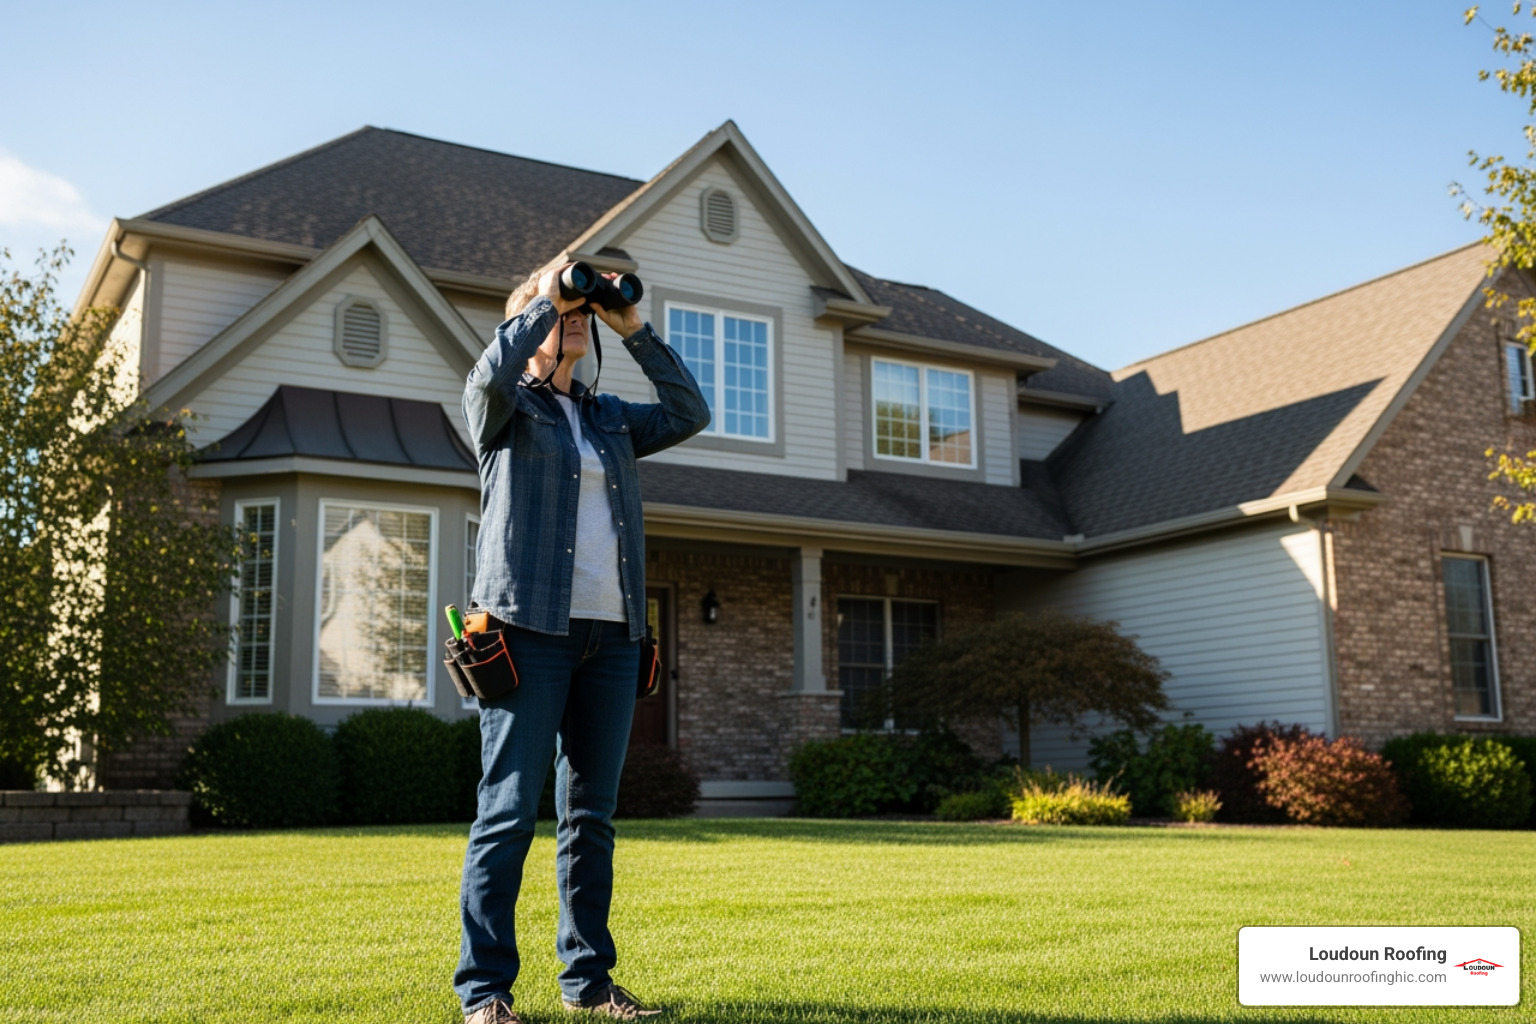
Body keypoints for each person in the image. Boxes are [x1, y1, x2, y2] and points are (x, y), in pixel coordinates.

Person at [455, 264, 709, 1024]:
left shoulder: (610, 420)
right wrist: (545, 300)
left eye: (578, 314)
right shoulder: (502, 411)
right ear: (527, 323)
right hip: (527, 632)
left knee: (589, 817)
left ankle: (590, 983)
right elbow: (489, 373)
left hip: (614, 637)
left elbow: (689, 409)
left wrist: (633, 329)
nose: (573, 318)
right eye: (558, 311)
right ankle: (485, 993)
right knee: (506, 812)